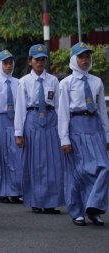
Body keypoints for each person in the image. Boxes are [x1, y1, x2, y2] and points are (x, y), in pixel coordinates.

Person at [58, 42, 109, 226]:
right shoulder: (66, 83)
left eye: (87, 57)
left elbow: (102, 109)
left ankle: (93, 207)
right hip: (76, 126)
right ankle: (77, 211)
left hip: (94, 126)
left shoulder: (96, 81)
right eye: (81, 57)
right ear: (74, 59)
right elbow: (63, 112)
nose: (85, 60)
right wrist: (64, 138)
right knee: (77, 172)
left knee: (103, 168)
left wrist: (107, 134)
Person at [14, 44, 64, 214]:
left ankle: (51, 202)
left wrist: (62, 130)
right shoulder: (24, 82)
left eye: (43, 59)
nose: (40, 62)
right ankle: (36, 200)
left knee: (52, 162)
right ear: (30, 61)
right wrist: (19, 133)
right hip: (33, 119)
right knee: (35, 163)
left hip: (51, 120)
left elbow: (59, 106)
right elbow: (20, 108)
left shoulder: (53, 80)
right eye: (37, 59)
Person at [0, 50, 23, 204]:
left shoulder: (18, 83)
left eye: (10, 63)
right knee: (1, 156)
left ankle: (16, 190)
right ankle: (3, 191)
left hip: (14, 120)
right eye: (5, 63)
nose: (8, 66)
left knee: (16, 155)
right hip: (0, 120)